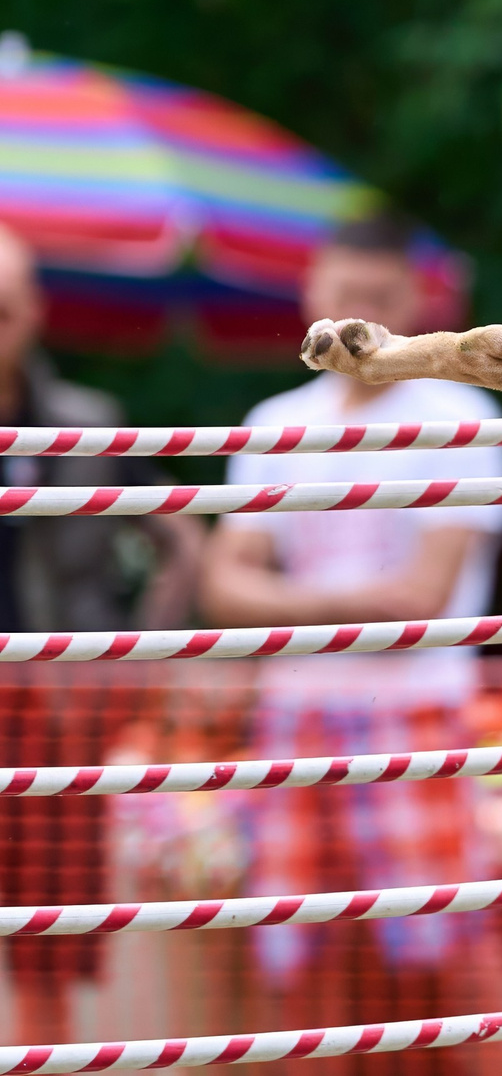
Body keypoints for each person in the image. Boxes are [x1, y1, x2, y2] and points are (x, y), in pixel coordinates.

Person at [197, 213, 502, 1068]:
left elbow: (423, 597)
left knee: (463, 959)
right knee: (298, 968)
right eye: (344, 296)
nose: (355, 317)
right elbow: (221, 586)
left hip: (418, 716)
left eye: (376, 299)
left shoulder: (462, 415)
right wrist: (353, 607)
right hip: (295, 719)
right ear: (312, 293)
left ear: (414, 302)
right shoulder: (274, 419)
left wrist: (287, 604)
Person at [0, 223, 201, 1047]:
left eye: (4, 309)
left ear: (36, 311)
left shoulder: (86, 424)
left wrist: (138, 661)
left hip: (57, 721)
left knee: (49, 947)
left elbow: (183, 540)